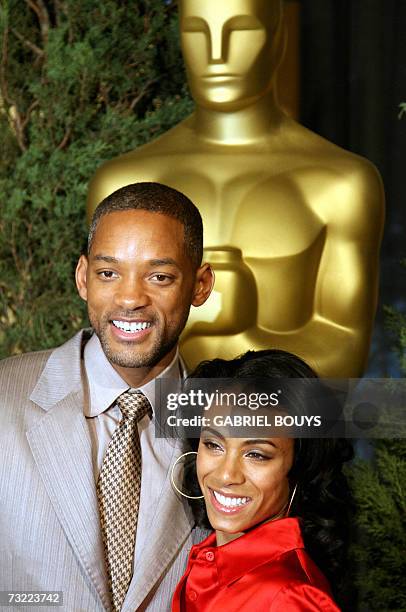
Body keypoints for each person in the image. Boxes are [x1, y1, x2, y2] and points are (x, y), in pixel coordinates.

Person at [86, 0, 384, 378]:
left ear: (278, 37)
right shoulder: (121, 181)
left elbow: (344, 360)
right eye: (197, 32)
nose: (216, 54)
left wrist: (241, 333)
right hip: (149, 431)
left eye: (240, 30)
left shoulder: (340, 183)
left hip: (278, 432)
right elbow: (105, 350)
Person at [0, 182, 214, 611]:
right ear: (83, 277)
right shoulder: (4, 398)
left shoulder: (229, 424)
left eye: (159, 276)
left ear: (200, 285)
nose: (130, 298)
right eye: (108, 273)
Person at [171, 350, 353, 611]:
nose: (226, 475)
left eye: (256, 454)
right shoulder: (208, 562)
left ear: (299, 465)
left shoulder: (291, 598)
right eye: (213, 444)